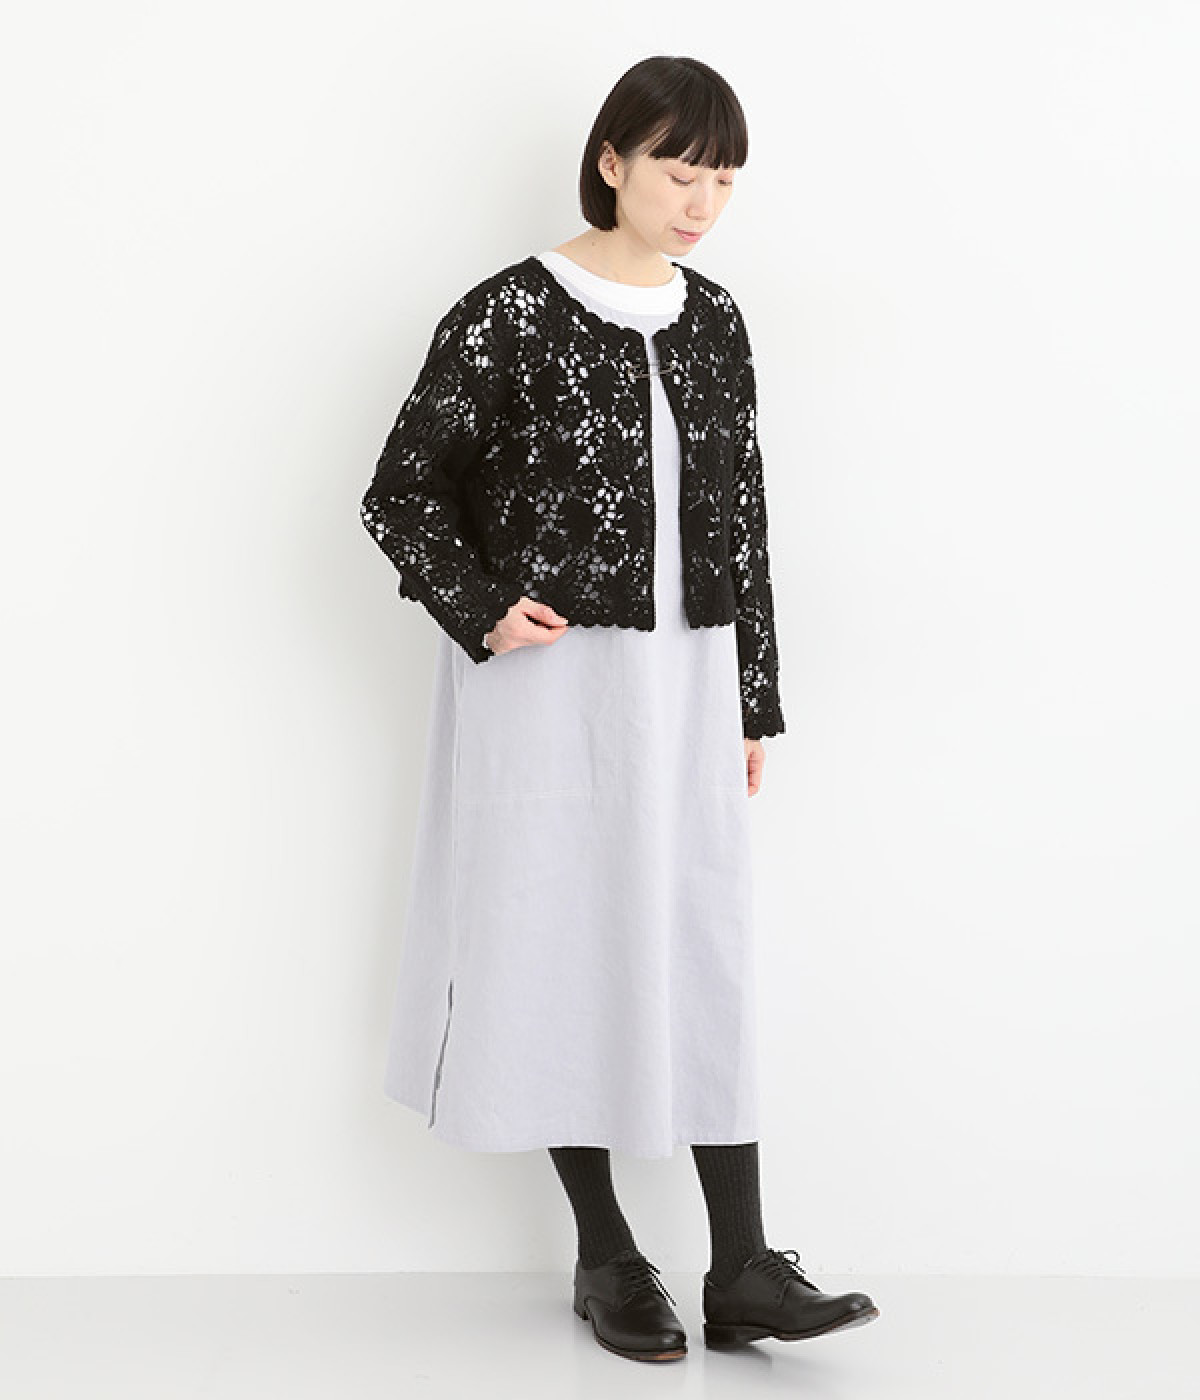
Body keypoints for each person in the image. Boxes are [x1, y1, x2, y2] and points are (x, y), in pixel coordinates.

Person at [360, 54, 879, 1362]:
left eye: (724, 180)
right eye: (679, 172)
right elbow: (401, 490)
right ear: (612, 162)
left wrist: (753, 701)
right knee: (559, 943)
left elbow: (744, 522)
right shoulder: (509, 311)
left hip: (689, 674)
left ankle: (744, 1263)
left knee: (701, 939)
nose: (702, 204)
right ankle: (606, 1253)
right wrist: (484, 607)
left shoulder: (716, 320)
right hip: (550, 685)